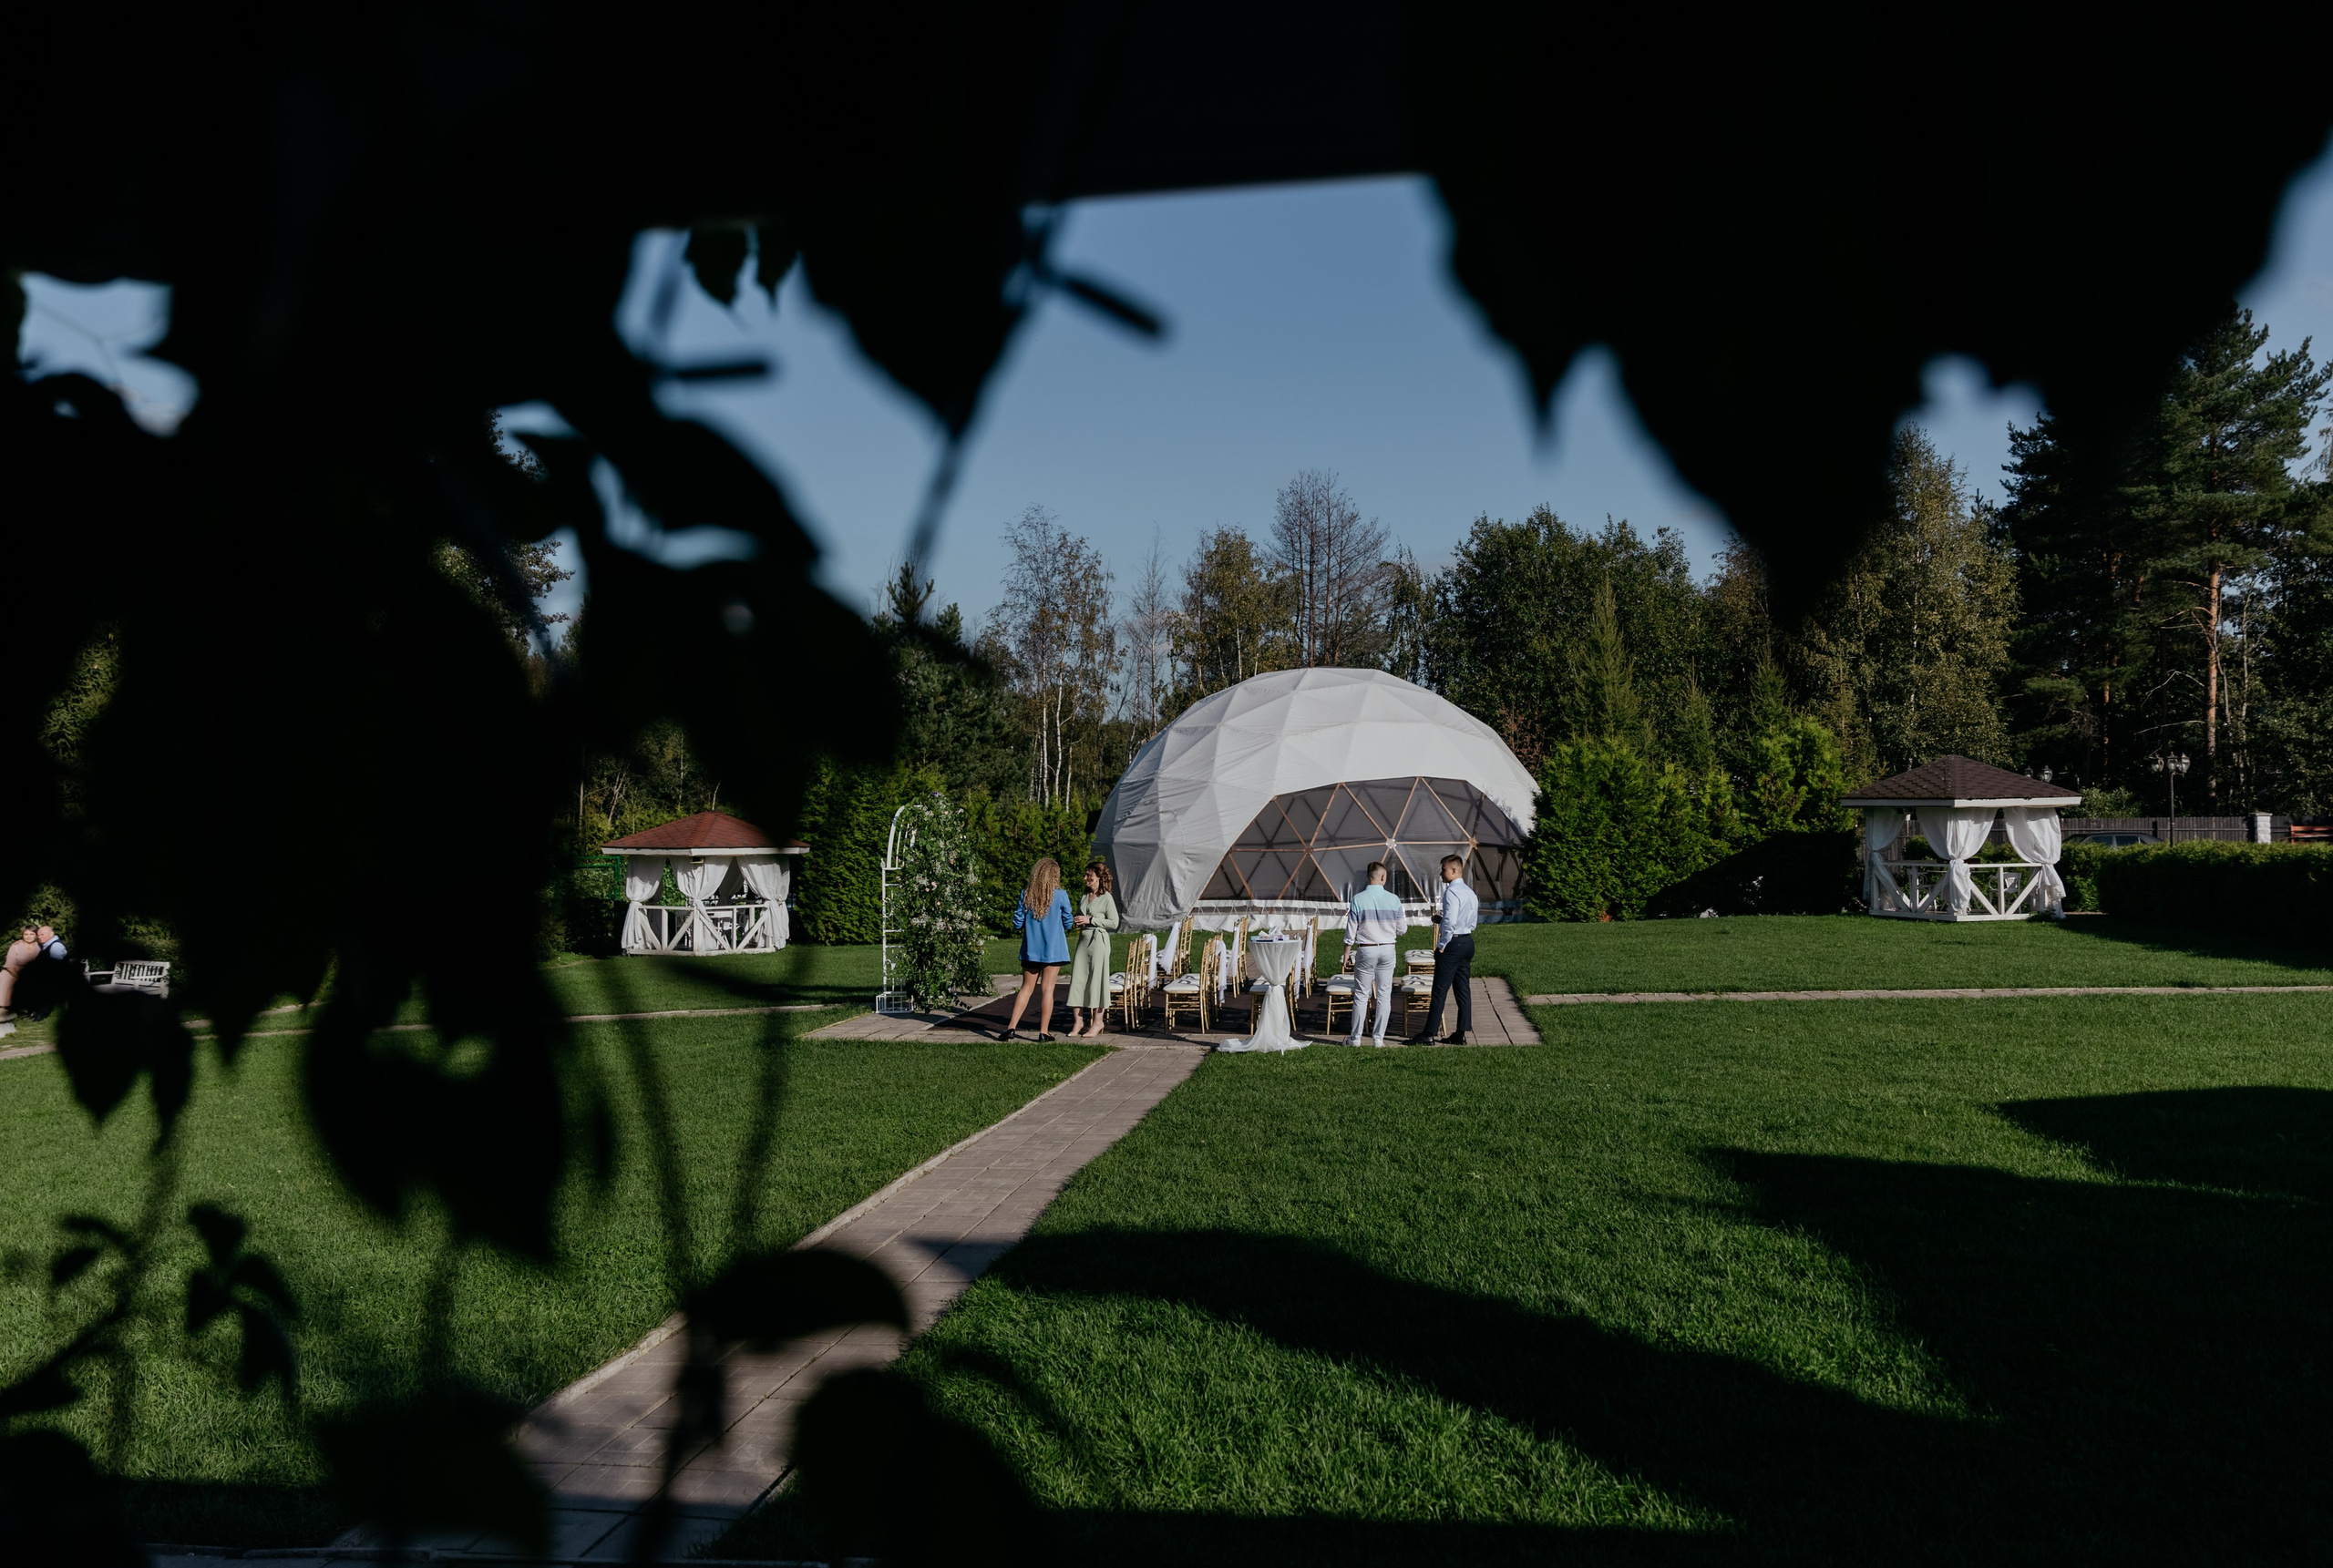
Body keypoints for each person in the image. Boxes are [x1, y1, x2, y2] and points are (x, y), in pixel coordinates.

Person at [999, 857, 1074, 1041]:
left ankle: (1011, 1027)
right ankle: (1043, 1032)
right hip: (1053, 951)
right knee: (1048, 990)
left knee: (1026, 988)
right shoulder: (1061, 895)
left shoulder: (1026, 894)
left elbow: (1017, 922)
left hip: (1031, 949)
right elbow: (1069, 922)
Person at [1410, 854, 1479, 1044]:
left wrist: (1442, 945)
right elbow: (1471, 921)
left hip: (1452, 945)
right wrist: (1453, 927)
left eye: (1443, 869)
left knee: (1439, 990)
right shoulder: (1469, 892)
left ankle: (1429, 1034)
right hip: (1467, 942)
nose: (1441, 873)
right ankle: (1461, 1033)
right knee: (1463, 989)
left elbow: (1450, 920)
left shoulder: (1452, 892)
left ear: (1454, 870)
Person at [1343, 861, 1404, 1047]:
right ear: (1383, 877)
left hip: (1366, 948)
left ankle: (1355, 1038)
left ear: (1369, 877)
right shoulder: (1394, 899)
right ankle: (1379, 1038)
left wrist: (1346, 952)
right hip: (1387, 947)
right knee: (1384, 995)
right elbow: (1402, 929)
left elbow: (1351, 930)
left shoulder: (1358, 899)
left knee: (1361, 995)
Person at [1065, 860, 1120, 1038]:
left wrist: (1091, 920)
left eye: (1089, 875)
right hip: (1083, 940)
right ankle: (1078, 1021)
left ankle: (1097, 1022)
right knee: (1078, 980)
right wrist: (1078, 919)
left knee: (1097, 980)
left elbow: (1114, 922)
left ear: (1098, 877)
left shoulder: (1107, 898)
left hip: (1098, 942)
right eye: (1086, 875)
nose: (1085, 878)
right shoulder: (1084, 894)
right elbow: (1081, 913)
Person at [0, 927, 36, 1019]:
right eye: (26, 934)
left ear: (36, 935)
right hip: (12, 971)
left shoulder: (39, 947)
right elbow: (9, 965)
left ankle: (26, 1007)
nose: (28, 937)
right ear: (22, 935)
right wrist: (20, 977)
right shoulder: (16, 946)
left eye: (31, 934)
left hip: (29, 973)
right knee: (6, 981)